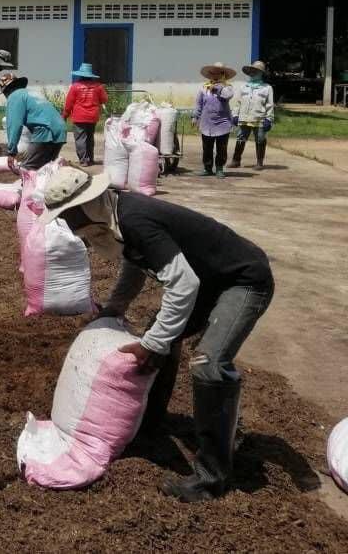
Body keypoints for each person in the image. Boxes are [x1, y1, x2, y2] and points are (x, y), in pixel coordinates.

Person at [40, 165, 273, 502]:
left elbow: (183, 283)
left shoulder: (136, 219)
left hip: (242, 280)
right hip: (208, 281)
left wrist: (155, 343)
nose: (72, 228)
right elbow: (135, 264)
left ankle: (211, 478)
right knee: (158, 336)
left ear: (87, 205)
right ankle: (151, 423)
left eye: (69, 217)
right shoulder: (119, 217)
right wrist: (115, 307)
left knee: (208, 363)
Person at [0, 71, 66, 170]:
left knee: (28, 169)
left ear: (5, 90)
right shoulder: (31, 93)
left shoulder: (14, 97)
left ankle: (27, 185)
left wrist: (11, 152)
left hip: (45, 130)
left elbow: (14, 125)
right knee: (46, 168)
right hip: (60, 129)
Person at [194, 63, 236, 177]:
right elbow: (199, 104)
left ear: (223, 75)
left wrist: (217, 88)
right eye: (213, 73)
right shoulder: (204, 88)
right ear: (210, 75)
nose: (215, 75)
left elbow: (227, 96)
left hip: (223, 122)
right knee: (207, 147)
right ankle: (207, 168)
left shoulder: (228, 87)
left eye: (218, 73)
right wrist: (195, 117)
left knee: (221, 148)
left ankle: (219, 168)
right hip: (207, 122)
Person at [230, 60, 274, 170]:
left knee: (260, 138)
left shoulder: (267, 88)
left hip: (259, 118)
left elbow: (270, 105)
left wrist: (269, 119)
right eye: (252, 71)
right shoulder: (244, 87)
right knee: (241, 137)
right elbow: (238, 102)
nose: (254, 73)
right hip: (245, 117)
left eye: (257, 71)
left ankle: (259, 162)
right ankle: (236, 160)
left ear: (261, 73)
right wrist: (235, 115)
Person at [62, 62, 108, 166]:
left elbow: (69, 103)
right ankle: (90, 159)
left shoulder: (75, 87)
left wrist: (64, 115)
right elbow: (105, 99)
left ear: (80, 75)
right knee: (90, 137)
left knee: (80, 138)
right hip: (93, 116)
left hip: (79, 117)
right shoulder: (98, 87)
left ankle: (83, 160)